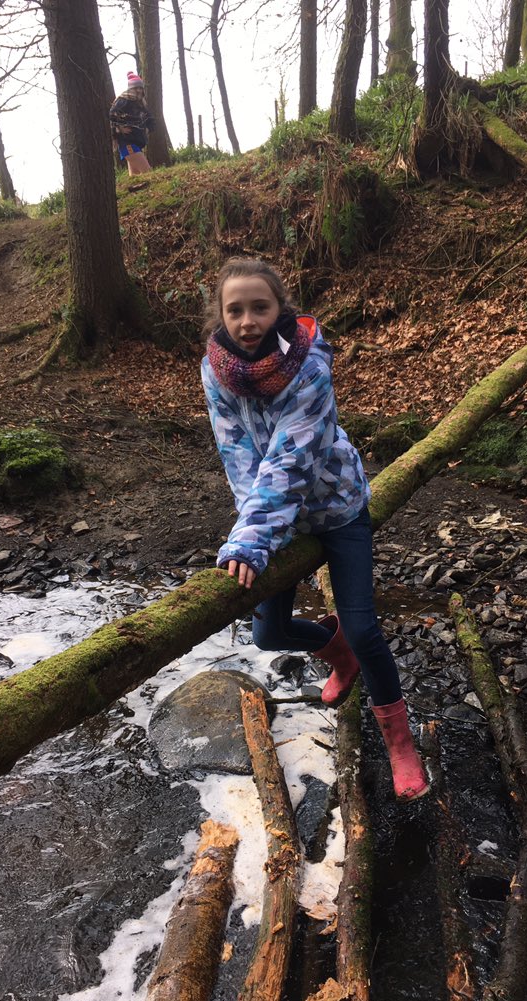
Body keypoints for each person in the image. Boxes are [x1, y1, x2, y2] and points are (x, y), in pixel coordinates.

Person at [201, 258, 429, 802]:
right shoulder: (216, 369)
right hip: (280, 519)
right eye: (236, 310)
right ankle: (338, 653)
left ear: (281, 308)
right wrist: (254, 529)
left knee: (367, 628)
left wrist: (252, 537)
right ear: (222, 316)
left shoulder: (309, 366)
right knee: (268, 635)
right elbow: (236, 455)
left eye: (260, 306)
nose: (248, 320)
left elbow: (291, 457)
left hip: (336, 510)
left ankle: (400, 742)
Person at [109, 71, 155, 176]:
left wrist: (149, 127)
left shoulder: (140, 103)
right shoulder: (122, 100)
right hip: (127, 143)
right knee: (148, 173)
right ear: (131, 89)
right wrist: (119, 128)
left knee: (135, 177)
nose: (139, 90)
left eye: (140, 88)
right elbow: (111, 115)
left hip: (136, 143)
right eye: (136, 88)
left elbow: (149, 118)